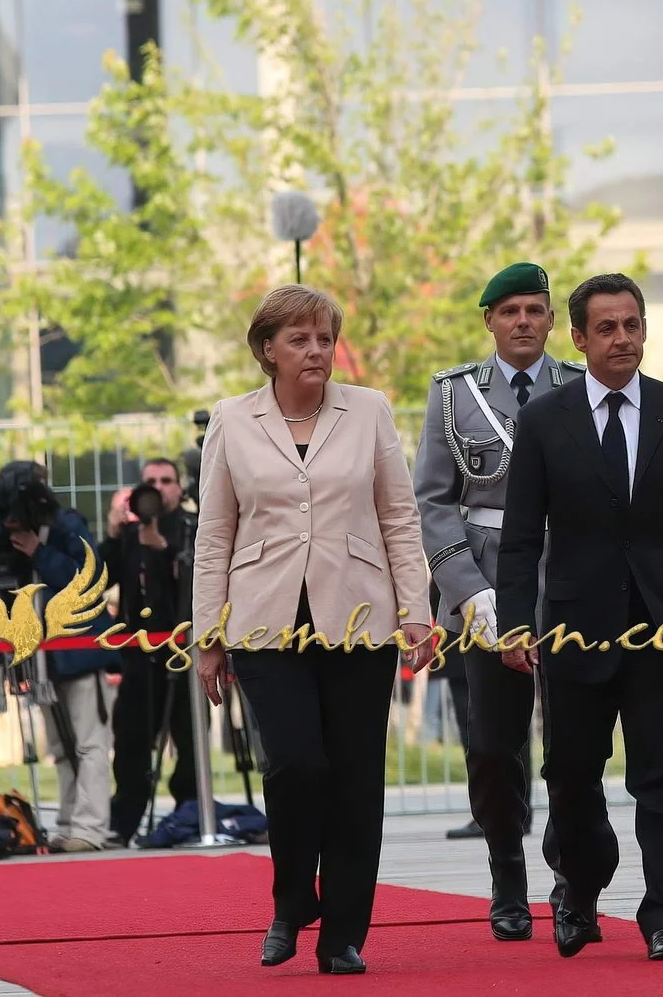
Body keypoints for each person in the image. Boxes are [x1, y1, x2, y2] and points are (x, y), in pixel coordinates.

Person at [191, 283, 437, 976]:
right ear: (267, 350)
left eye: (324, 338)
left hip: (359, 614)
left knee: (357, 777)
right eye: (300, 339)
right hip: (264, 619)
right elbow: (215, 534)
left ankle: (343, 937)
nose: (316, 350)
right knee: (296, 764)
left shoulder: (370, 411)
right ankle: (294, 898)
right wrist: (207, 634)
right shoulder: (233, 421)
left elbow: (398, 515)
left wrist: (416, 608)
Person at [497, 272, 663, 962]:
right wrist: (514, 622)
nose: (622, 338)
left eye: (632, 324)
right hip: (573, 627)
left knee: (661, 775)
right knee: (571, 773)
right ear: (579, 338)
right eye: (607, 327)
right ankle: (578, 889)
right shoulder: (544, 420)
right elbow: (519, 535)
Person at [409, 261, 586, 939]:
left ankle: (571, 873)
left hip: (566, 581)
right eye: (509, 311)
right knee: (490, 744)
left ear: (551, 320)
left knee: (573, 740)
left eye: (535, 310)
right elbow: (433, 500)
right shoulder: (454, 395)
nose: (523, 322)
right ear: (488, 319)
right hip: (484, 586)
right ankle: (506, 870)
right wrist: (468, 592)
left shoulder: (578, 386)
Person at [0, 460, 113, 852]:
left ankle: (91, 829)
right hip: (42, 659)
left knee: (89, 744)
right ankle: (69, 823)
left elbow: (90, 579)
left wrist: (40, 552)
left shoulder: (67, 525)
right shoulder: (5, 532)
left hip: (78, 652)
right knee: (61, 748)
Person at [102, 458, 202, 846]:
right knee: (130, 739)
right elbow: (97, 579)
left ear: (179, 487)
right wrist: (112, 534)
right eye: (149, 483)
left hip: (184, 649)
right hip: (139, 653)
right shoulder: (127, 534)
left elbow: (197, 578)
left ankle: (190, 814)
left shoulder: (192, 527)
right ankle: (124, 819)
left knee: (190, 739)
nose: (158, 489)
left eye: (166, 481)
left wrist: (163, 549)